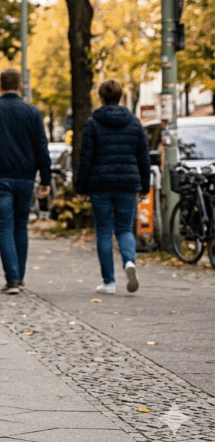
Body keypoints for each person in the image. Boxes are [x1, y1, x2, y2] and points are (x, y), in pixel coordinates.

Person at [75, 79, 149, 295]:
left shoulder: (93, 123)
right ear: (120, 96)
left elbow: (85, 158)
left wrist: (81, 188)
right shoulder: (134, 123)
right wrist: (145, 185)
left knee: (104, 232)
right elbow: (143, 158)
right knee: (125, 229)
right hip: (127, 183)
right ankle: (129, 262)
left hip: (101, 185)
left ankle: (109, 282)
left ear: (100, 98)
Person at [0, 69, 51, 295]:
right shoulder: (32, 112)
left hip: (0, 177)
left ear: (0, 86)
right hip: (26, 178)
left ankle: (12, 279)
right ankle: (20, 276)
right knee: (21, 227)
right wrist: (45, 179)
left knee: (5, 227)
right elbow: (41, 147)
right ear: (20, 87)